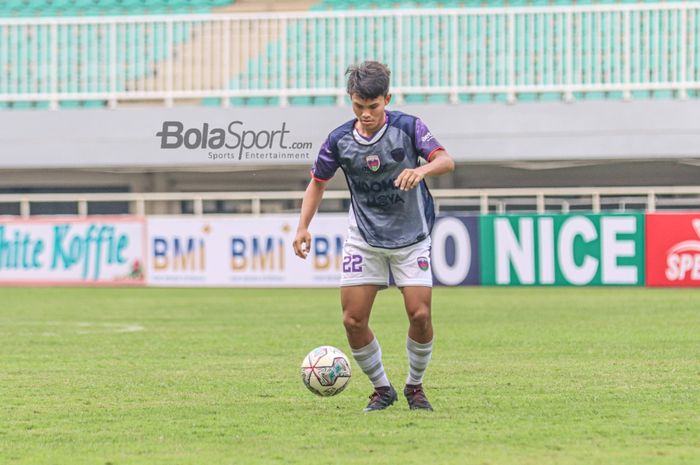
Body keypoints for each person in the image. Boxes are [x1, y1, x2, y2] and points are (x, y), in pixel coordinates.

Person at [293, 61, 455, 412]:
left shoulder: (409, 127)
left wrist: (421, 169)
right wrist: (303, 226)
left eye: (373, 106)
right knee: (352, 320)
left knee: (420, 314)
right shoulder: (338, 140)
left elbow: (445, 161)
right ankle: (382, 389)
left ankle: (414, 386)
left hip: (412, 236)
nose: (365, 114)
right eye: (358, 106)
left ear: (387, 99)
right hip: (364, 238)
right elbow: (317, 183)